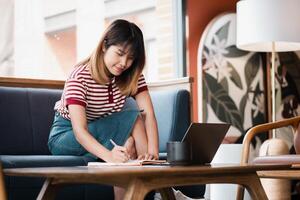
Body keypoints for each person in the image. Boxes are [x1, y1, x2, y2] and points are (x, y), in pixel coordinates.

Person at [47, 19, 159, 200]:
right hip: (65, 137)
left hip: (102, 131)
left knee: (136, 124)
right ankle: (154, 190)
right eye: (120, 53)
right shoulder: (80, 76)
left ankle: (147, 169)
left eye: (131, 58)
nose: (124, 63)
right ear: (104, 45)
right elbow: (79, 131)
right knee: (132, 121)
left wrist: (153, 153)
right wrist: (109, 156)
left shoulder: (131, 77)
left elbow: (149, 115)